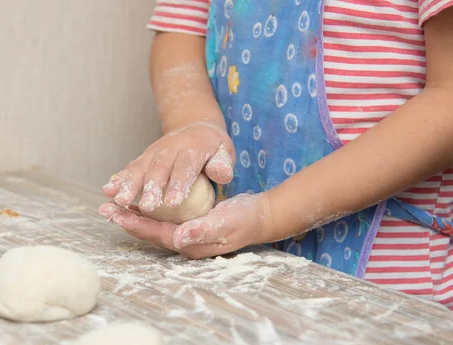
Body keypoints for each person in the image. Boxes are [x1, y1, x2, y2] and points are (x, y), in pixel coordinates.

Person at [99, 0, 453, 308]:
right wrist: (194, 122)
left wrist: (269, 214)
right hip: (239, 256)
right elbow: (180, 30)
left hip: (389, 283)